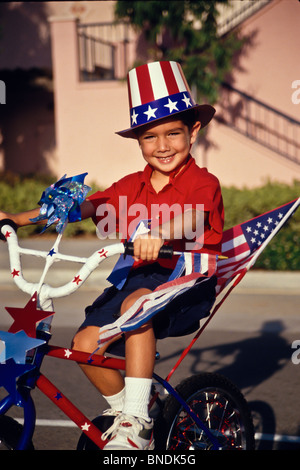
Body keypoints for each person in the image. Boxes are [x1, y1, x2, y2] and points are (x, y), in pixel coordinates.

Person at [0, 61, 224, 450]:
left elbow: (192, 215)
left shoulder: (202, 183)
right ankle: (135, 409)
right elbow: (83, 207)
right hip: (137, 278)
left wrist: (158, 231)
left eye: (173, 133)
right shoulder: (131, 185)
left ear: (194, 131)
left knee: (140, 305)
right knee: (85, 344)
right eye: (150, 137)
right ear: (138, 141)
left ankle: (136, 423)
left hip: (186, 280)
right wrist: (15, 219)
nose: (163, 145)